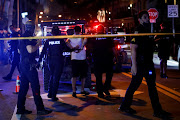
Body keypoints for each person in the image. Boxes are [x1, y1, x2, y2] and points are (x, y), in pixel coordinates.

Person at [119, 11, 171, 119]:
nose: (147, 19)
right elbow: (133, 48)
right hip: (141, 64)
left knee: (151, 87)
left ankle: (156, 110)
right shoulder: (138, 30)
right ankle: (126, 106)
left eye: (148, 17)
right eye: (145, 17)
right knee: (136, 86)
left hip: (148, 63)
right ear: (140, 19)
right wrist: (133, 65)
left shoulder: (147, 30)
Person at [16, 20, 52, 115]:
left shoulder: (23, 36)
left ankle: (20, 108)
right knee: (35, 87)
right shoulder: (28, 36)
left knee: (23, 87)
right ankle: (40, 109)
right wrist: (38, 44)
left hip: (23, 64)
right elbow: (30, 49)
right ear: (32, 27)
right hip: (29, 66)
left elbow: (20, 51)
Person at [38, 26, 66, 101]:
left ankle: (50, 93)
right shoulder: (61, 40)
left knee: (52, 76)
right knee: (56, 78)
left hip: (50, 60)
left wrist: (39, 61)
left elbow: (43, 51)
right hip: (58, 60)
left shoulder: (48, 40)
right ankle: (54, 96)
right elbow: (66, 48)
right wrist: (74, 49)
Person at [92, 24, 115, 98]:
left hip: (97, 59)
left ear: (96, 30)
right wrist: (115, 56)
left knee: (98, 77)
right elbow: (113, 48)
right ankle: (106, 88)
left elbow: (89, 47)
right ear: (103, 30)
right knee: (109, 75)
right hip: (107, 59)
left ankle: (100, 92)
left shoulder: (94, 38)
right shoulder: (107, 37)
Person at [65, 26, 89, 97]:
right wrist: (81, 46)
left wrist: (72, 48)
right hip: (82, 57)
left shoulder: (71, 37)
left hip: (74, 58)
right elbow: (86, 40)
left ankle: (74, 91)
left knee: (74, 75)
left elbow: (67, 42)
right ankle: (82, 90)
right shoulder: (82, 37)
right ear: (80, 30)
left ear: (74, 30)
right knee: (83, 76)